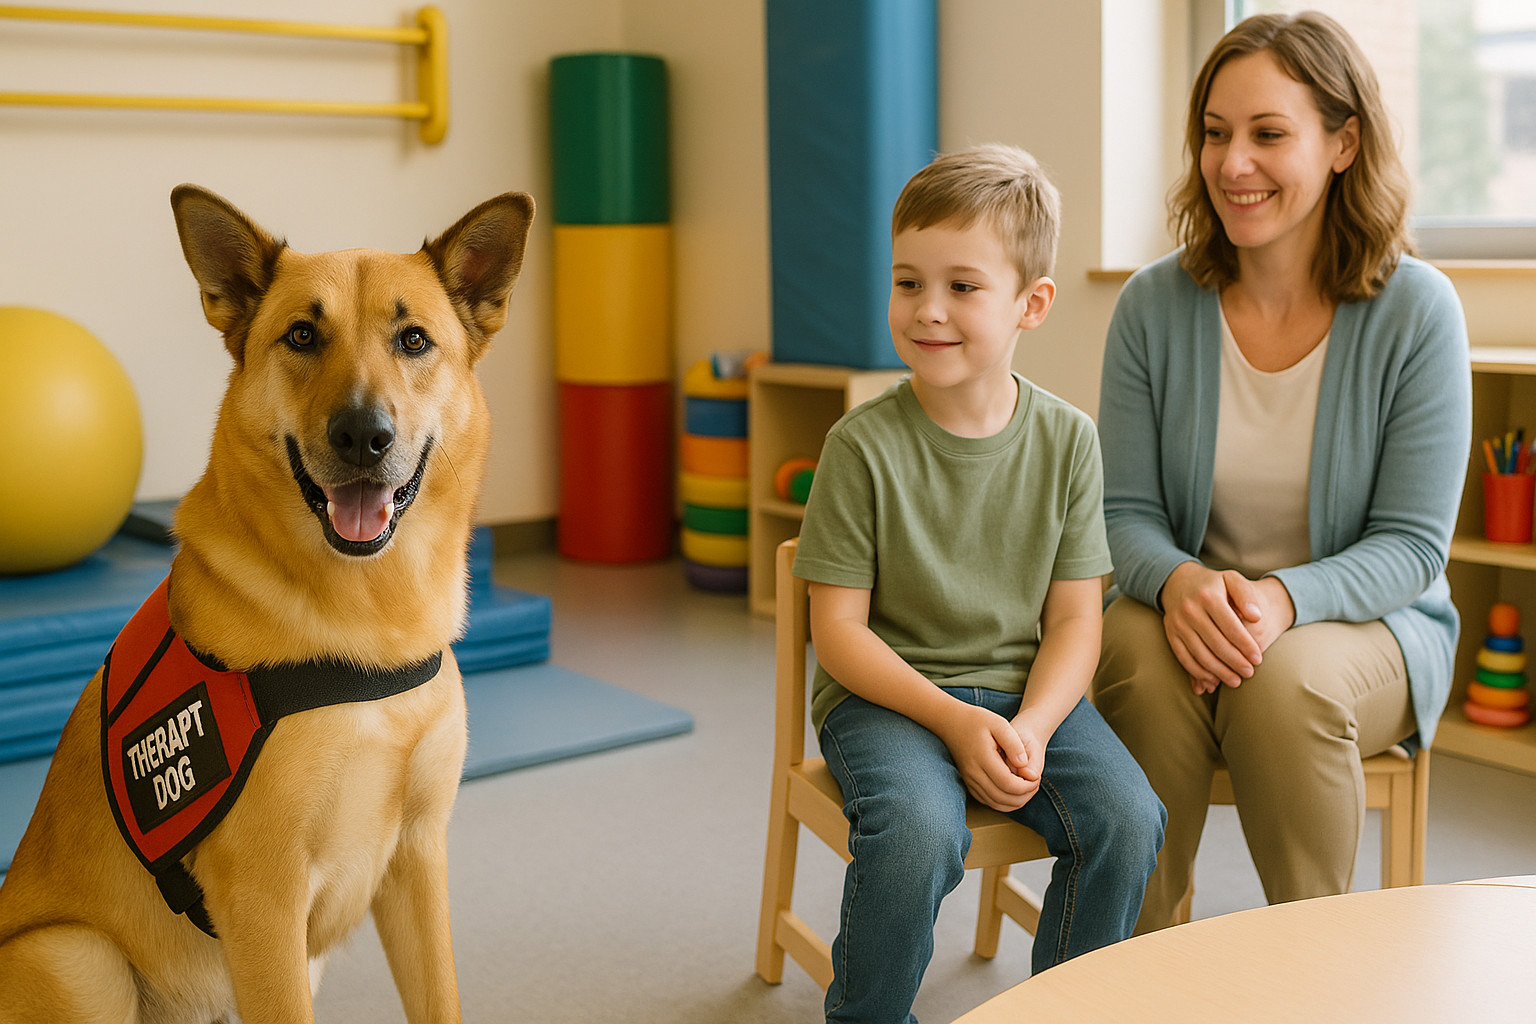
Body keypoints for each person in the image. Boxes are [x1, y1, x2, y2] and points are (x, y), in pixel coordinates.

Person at [1092, 11, 1471, 934]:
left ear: (1343, 143)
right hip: (1187, 610)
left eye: (1269, 134)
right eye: (1216, 134)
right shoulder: (1151, 305)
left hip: (1361, 627)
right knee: (1136, 663)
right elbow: (1126, 512)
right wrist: (1181, 582)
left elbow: (1413, 547)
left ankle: (1312, 966)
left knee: (1283, 681)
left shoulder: (1420, 311)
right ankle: (1126, 968)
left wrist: (1283, 600)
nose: (1233, 164)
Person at [794, 143, 1166, 1023]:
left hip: (1027, 695)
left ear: (1031, 304)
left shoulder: (1069, 440)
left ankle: (1060, 1009)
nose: (927, 311)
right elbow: (839, 633)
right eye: (908, 282)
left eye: (962, 287)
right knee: (921, 836)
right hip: (887, 697)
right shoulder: (860, 445)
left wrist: (1031, 725)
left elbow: (1077, 619)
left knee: (1126, 819)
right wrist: (958, 720)